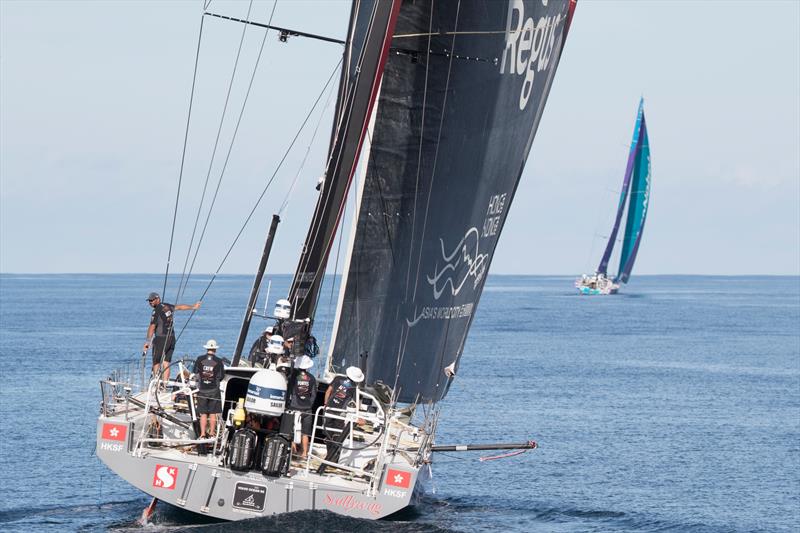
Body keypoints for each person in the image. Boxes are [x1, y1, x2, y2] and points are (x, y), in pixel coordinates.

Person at [143, 292, 200, 381]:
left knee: (156, 362)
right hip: (171, 338)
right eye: (149, 301)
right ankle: (165, 385)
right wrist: (193, 307)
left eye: (152, 300)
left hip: (160, 339)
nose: (150, 302)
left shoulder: (156, 310)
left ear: (158, 299)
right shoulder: (167, 306)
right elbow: (180, 307)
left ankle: (155, 384)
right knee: (166, 363)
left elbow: (152, 326)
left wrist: (147, 341)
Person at [317, 366, 363, 474]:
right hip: (340, 413)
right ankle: (333, 458)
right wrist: (358, 416)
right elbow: (356, 405)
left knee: (328, 434)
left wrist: (325, 404)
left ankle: (329, 457)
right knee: (337, 435)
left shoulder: (337, 379)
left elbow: (328, 391)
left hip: (329, 409)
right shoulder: (354, 388)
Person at [279, 355, 317, 459]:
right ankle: (304, 453)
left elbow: (289, 391)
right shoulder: (312, 378)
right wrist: (309, 405)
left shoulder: (293, 377)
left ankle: (293, 450)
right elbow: (313, 394)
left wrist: (287, 404)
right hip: (307, 409)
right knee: (305, 433)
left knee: (290, 430)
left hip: (294, 407)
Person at [193, 339, 224, 447]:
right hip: (214, 390)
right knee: (213, 413)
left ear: (206, 348)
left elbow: (195, 372)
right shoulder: (219, 361)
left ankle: (202, 434)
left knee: (203, 413)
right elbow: (221, 376)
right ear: (215, 349)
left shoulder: (199, 359)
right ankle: (211, 433)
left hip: (202, 389)